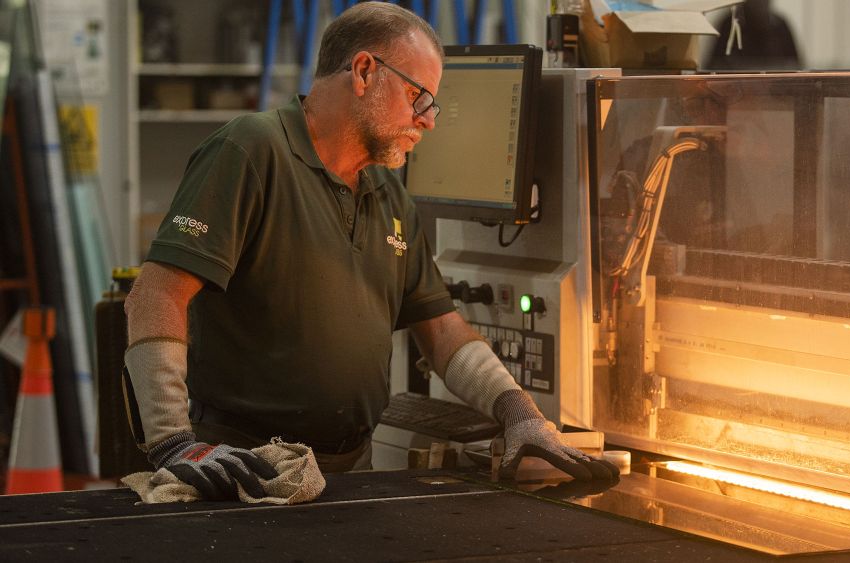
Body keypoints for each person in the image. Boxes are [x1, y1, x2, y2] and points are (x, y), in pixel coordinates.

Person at [123, 1, 616, 501]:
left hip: (350, 471)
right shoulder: (252, 150)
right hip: (244, 470)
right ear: (363, 71)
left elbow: (442, 331)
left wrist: (519, 413)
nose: (428, 121)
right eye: (418, 97)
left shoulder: (389, 194)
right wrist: (173, 442)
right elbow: (156, 293)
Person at [706, 0, 800, 71]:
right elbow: (714, 67)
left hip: (775, 88)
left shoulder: (779, 25)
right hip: (739, 88)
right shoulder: (731, 24)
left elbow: (796, 66)